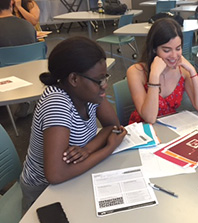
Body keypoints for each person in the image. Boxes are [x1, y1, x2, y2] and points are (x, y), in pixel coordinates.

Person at [20, 36, 127, 213]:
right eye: (99, 79)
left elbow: (113, 127)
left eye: (105, 76)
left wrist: (88, 149)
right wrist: (108, 148)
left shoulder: (89, 93)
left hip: (74, 176)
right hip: (43, 191)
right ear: (74, 79)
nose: (105, 85)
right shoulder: (57, 102)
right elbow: (56, 174)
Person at [127, 18, 198, 124]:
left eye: (178, 48)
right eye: (167, 50)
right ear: (154, 49)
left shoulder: (182, 70)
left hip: (170, 126)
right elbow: (149, 118)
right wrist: (154, 75)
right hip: (143, 131)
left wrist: (192, 71)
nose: (174, 56)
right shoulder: (136, 72)